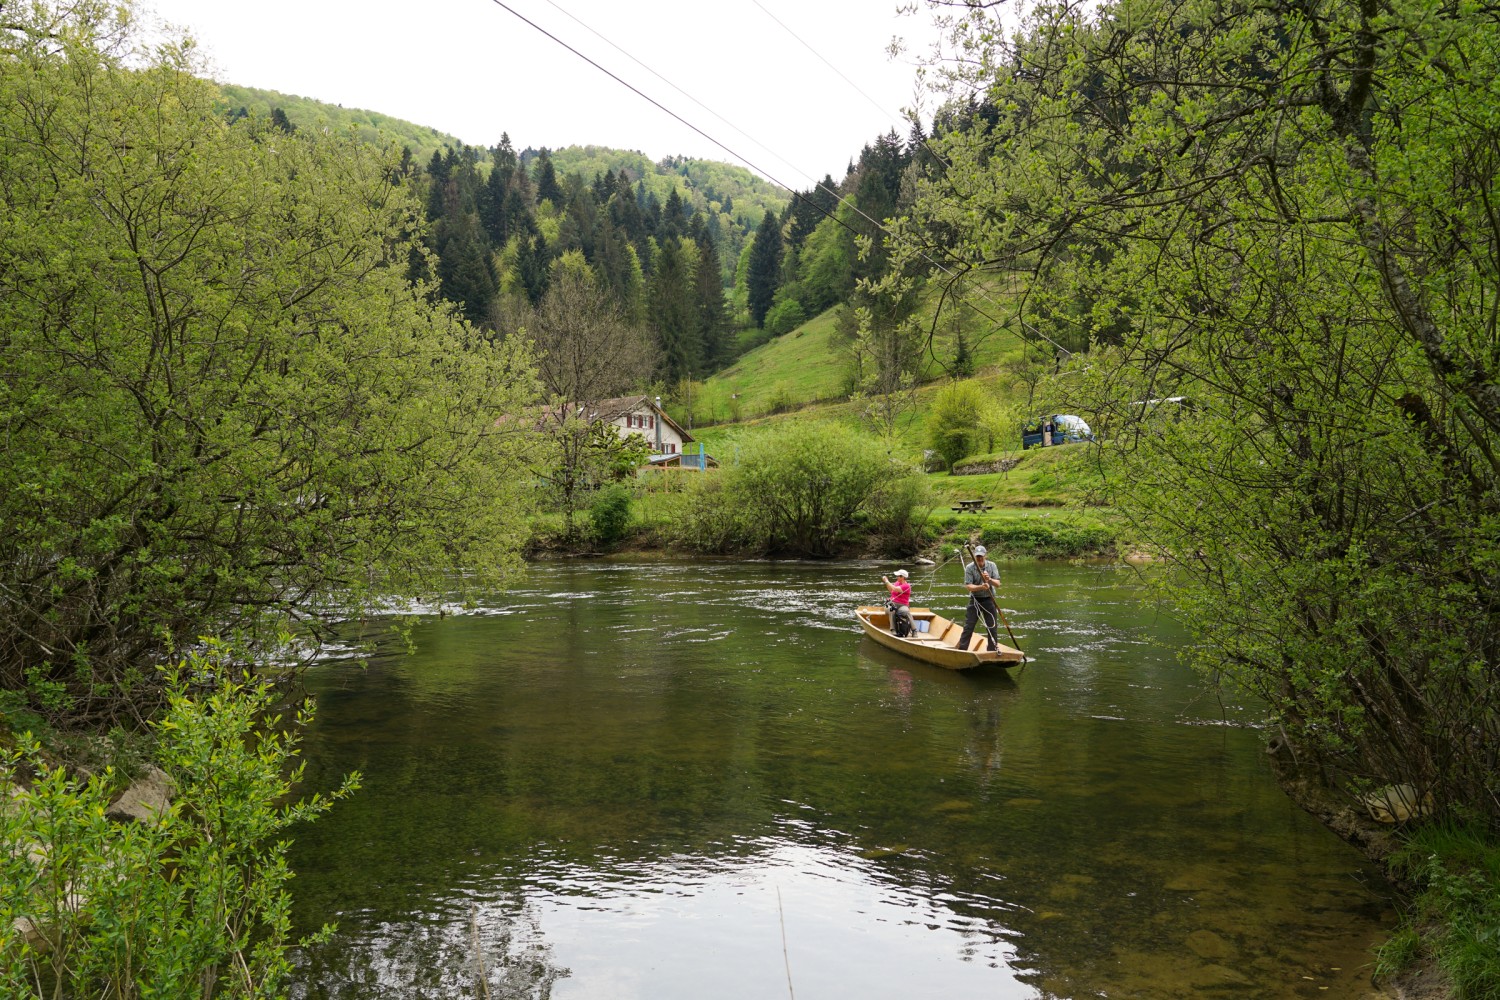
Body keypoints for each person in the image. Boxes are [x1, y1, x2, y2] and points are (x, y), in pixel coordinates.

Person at [958, 545, 1001, 652]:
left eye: (981, 556)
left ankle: (992, 651)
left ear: (985, 555)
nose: (979, 558)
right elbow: (969, 586)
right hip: (975, 599)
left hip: (989, 599)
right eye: (977, 556)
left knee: (992, 627)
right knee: (969, 626)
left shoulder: (992, 566)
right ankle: (962, 650)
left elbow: (998, 584)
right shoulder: (970, 567)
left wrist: (989, 579)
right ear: (975, 556)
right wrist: (981, 587)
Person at [882, 568, 914, 636]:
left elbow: (895, 589)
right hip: (892, 604)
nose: (896, 577)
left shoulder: (907, 586)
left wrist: (887, 581)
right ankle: (893, 629)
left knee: (906, 612)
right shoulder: (896, 583)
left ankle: (914, 630)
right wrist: (886, 582)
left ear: (903, 577)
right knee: (891, 610)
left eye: (898, 576)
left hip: (903, 605)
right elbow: (891, 590)